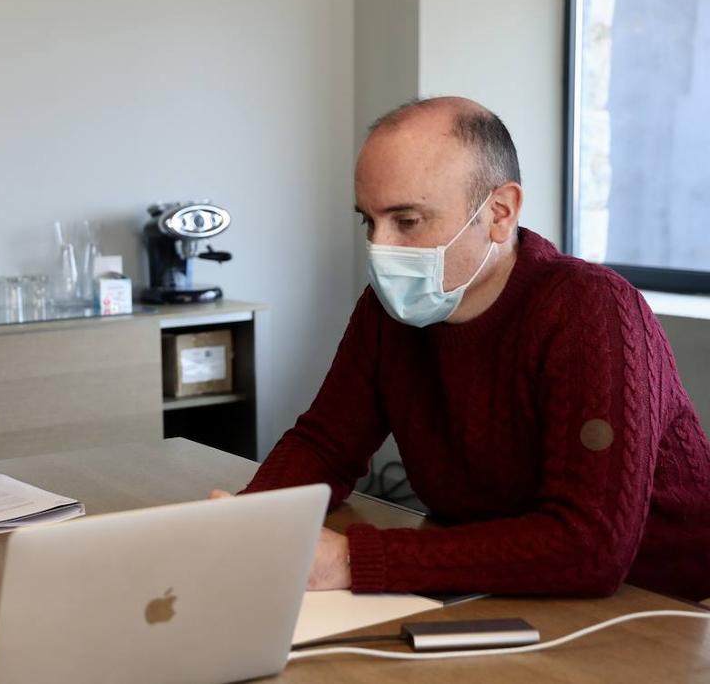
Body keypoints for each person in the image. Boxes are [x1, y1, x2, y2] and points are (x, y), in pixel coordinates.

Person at [223, 97, 710, 602]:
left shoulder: (591, 309)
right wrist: (252, 522)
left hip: (662, 607)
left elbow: (590, 545)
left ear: (499, 213)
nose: (379, 248)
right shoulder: (387, 312)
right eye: (369, 221)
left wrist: (352, 560)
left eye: (406, 221)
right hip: (502, 587)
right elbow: (325, 443)